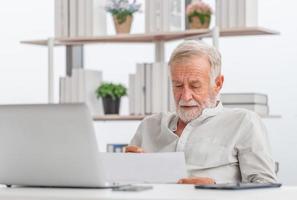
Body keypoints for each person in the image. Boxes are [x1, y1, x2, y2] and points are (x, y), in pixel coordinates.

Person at [125, 40, 277, 185]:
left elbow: (267, 186)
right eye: (178, 85)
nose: (185, 96)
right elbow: (124, 186)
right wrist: (123, 169)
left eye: (195, 86)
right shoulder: (150, 125)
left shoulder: (243, 122)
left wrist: (216, 188)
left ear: (218, 84)